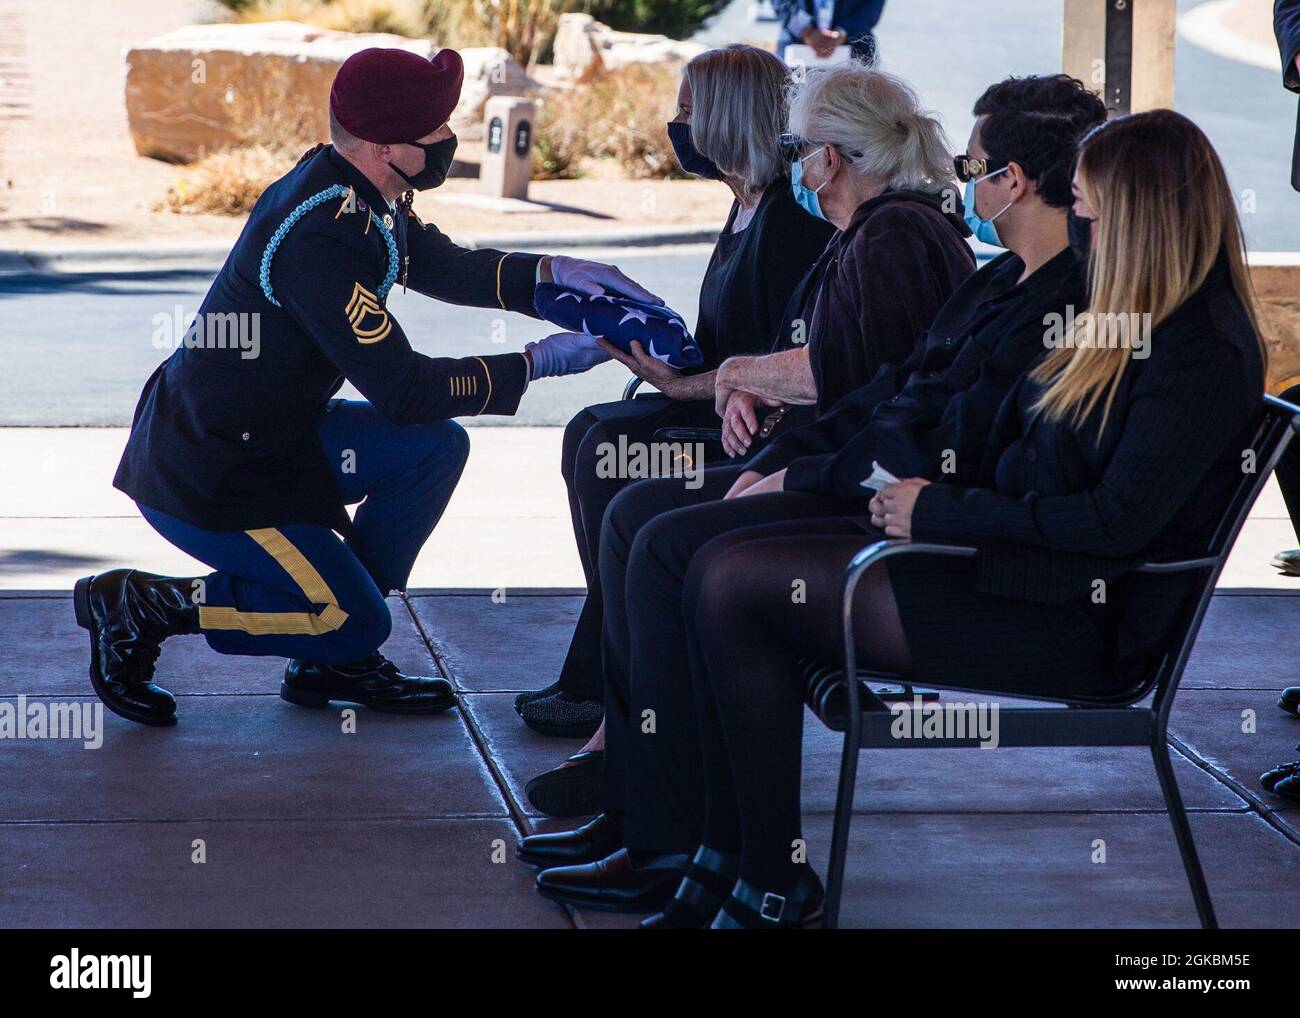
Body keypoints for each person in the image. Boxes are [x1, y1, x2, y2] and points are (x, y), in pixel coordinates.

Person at [521, 73, 1107, 912]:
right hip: (887, 488)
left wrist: (795, 465)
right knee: (641, 514)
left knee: (672, 538)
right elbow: (893, 392)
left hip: (928, 529)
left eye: (976, 164)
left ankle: (692, 839)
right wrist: (786, 453)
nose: (963, 181)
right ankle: (662, 821)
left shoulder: (936, 248)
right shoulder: (998, 278)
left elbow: (918, 423)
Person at [670, 108, 1267, 927]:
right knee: (713, 559)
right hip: (1007, 567)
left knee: (735, 584)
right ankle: (730, 854)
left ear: (1137, 218)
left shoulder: (1198, 349)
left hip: (1072, 617)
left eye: (1088, 208)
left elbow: (1111, 525)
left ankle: (769, 878)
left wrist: (940, 507)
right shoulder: (1123, 317)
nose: (1076, 222)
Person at [74, 47, 656, 728]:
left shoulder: (354, 188)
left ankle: (334, 660)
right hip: (217, 474)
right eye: (434, 131)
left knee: (433, 449)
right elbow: (405, 390)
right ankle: (145, 605)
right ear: (385, 146)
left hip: (276, 440)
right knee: (351, 617)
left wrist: (554, 274)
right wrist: (536, 363)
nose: (447, 140)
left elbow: (437, 263)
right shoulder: (318, 237)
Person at [524, 60, 976, 816]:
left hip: (862, 496)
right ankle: (638, 771)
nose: (792, 160)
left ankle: (652, 790)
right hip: (826, 460)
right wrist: (762, 410)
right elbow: (850, 373)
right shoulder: (865, 230)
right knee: (630, 497)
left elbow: (875, 388)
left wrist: (772, 438)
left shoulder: (893, 232)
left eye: (800, 147)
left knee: (648, 523)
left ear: (830, 157)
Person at [515, 45, 836, 741]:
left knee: (608, 448)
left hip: (755, 424)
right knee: (590, 434)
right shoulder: (744, 205)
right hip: (711, 395)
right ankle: (603, 659)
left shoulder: (789, 218)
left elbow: (784, 365)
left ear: (727, 118)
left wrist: (685, 383)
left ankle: (609, 675)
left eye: (688, 111)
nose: (675, 124)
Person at [774, 0, 885, 64]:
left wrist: (843, 32)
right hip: (795, 45)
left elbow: (872, 5)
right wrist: (806, 30)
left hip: (856, 49)